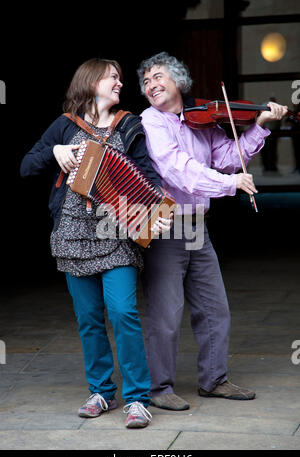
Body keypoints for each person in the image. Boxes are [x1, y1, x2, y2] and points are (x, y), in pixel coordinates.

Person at [136, 51, 288, 411]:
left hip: (197, 227)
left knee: (214, 308)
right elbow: (178, 170)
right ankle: (159, 387)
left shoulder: (199, 121)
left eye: (158, 77)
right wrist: (231, 184)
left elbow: (228, 158)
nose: (151, 85)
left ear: (177, 81)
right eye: (145, 82)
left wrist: (260, 124)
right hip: (168, 226)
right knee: (166, 312)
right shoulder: (151, 122)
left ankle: (214, 380)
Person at [20, 58, 166, 428]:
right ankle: (101, 391)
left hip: (115, 234)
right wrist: (54, 154)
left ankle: (136, 398)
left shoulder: (129, 124)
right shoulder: (65, 126)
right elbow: (27, 166)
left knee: (123, 313)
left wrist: (157, 210)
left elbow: (146, 175)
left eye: (119, 78)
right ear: (90, 81)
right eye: (112, 77)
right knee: (88, 318)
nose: (120, 83)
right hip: (71, 234)